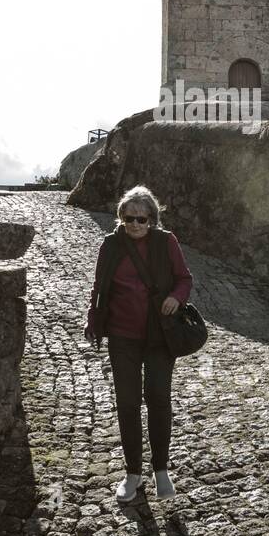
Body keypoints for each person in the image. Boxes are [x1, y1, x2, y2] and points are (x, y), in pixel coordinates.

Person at [85, 185, 193, 502]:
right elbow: (99, 287)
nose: (135, 224)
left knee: (159, 398)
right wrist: (94, 321)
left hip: (159, 335)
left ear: (152, 219)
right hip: (122, 337)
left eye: (142, 219)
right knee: (128, 403)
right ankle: (133, 473)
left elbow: (185, 279)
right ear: (121, 217)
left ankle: (161, 471)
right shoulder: (110, 245)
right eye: (129, 218)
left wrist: (176, 297)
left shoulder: (166, 242)